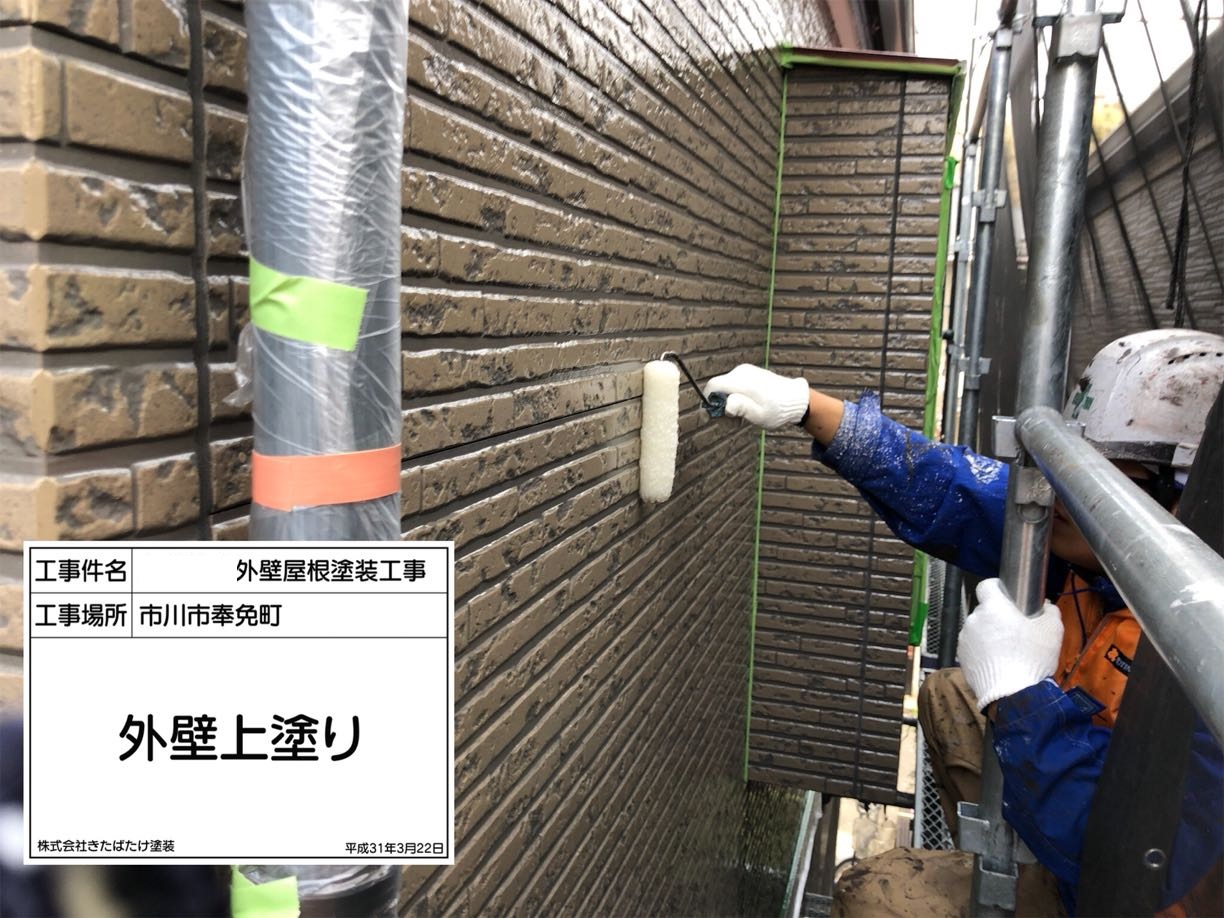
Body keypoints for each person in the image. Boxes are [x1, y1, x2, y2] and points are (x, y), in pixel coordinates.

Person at [705, 329, 1224, 916]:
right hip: (1072, 785)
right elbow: (952, 488)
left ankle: (1018, 886)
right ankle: (1008, 858)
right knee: (950, 696)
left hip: (1119, 895)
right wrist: (807, 407)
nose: (1058, 494)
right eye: (1073, 469)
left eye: (1105, 483)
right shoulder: (1097, 548)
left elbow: (1128, 860)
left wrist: (1019, 696)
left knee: (873, 898)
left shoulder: (1209, 663)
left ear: (1187, 502)